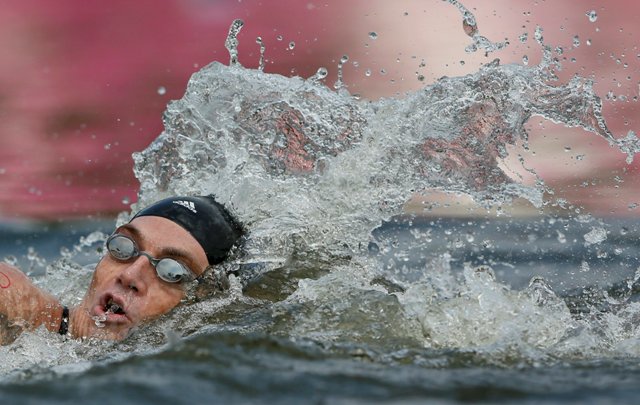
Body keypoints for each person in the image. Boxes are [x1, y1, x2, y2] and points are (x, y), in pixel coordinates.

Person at [0, 195, 244, 344]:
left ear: (206, 302)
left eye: (172, 272)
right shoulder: (17, 310)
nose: (130, 276)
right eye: (123, 248)